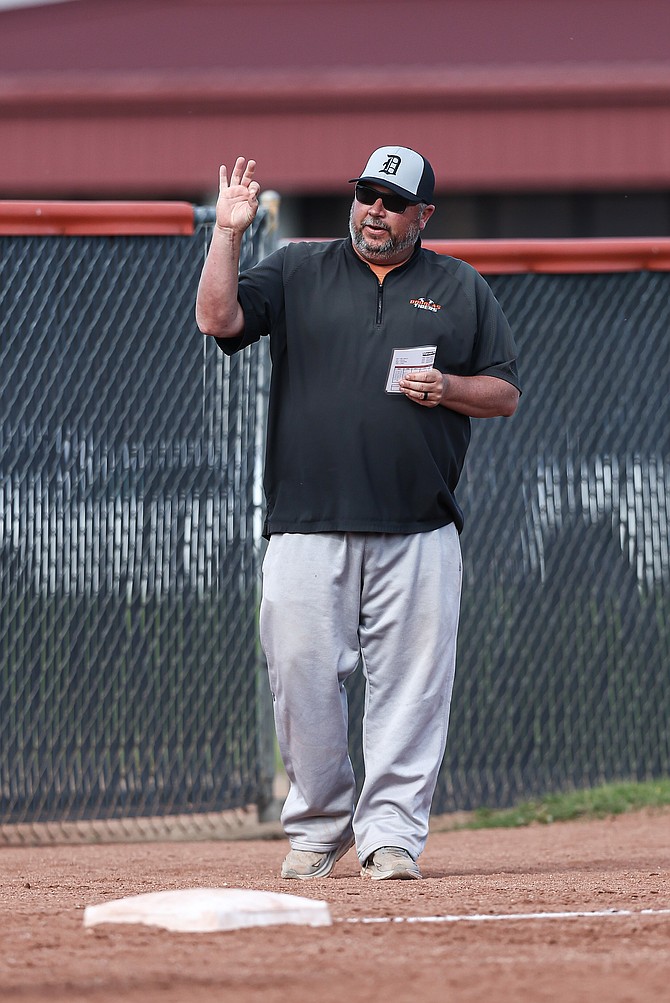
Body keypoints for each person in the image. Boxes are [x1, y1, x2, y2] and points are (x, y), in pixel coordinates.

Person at [196, 146, 520, 881]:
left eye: (394, 200)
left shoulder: (459, 286)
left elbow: (504, 393)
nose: (376, 210)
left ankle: (391, 834)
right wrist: (229, 232)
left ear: (422, 215)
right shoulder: (299, 268)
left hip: (419, 526)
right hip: (306, 520)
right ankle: (318, 824)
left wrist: (449, 388)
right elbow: (217, 319)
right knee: (300, 675)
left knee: (413, 687)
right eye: (367, 194)